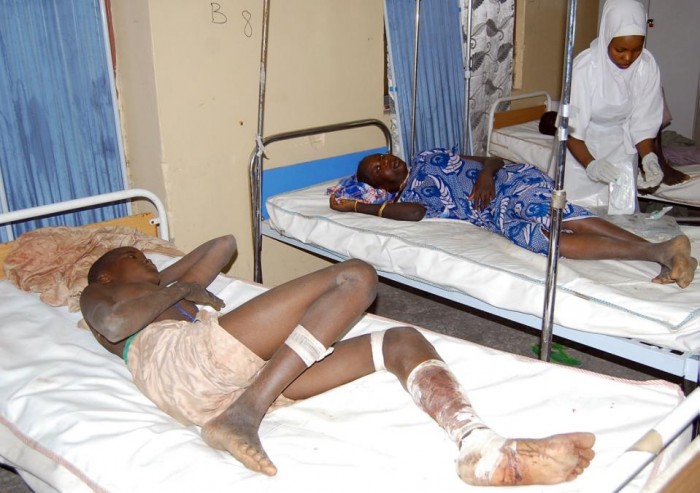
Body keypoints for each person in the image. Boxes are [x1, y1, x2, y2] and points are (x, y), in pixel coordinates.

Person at [80, 235, 596, 486]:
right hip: (185, 365)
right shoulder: (99, 297)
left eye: (149, 257)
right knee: (355, 277)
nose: (148, 260)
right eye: (136, 258)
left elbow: (223, 246)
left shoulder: (166, 288)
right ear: (106, 275)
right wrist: (171, 287)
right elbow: (115, 325)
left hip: (228, 381)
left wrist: (168, 279)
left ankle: (481, 448)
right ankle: (245, 415)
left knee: (397, 339)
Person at [327, 148, 697, 288]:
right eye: (379, 168)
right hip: (495, 213)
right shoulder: (405, 198)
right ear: (381, 185)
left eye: (385, 155)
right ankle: (661, 250)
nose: (387, 161)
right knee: (549, 238)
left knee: (564, 215)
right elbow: (416, 213)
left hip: (510, 180)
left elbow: (489, 158)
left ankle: (660, 250)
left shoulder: (427, 155)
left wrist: (487, 173)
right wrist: (358, 206)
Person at [562, 0, 664, 214]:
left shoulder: (646, 66)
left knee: (621, 216)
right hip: (582, 150)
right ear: (607, 36)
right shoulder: (585, 68)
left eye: (636, 49)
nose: (628, 58)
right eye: (620, 49)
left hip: (621, 149)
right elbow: (571, 129)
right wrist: (591, 165)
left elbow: (643, 122)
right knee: (580, 217)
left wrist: (649, 158)